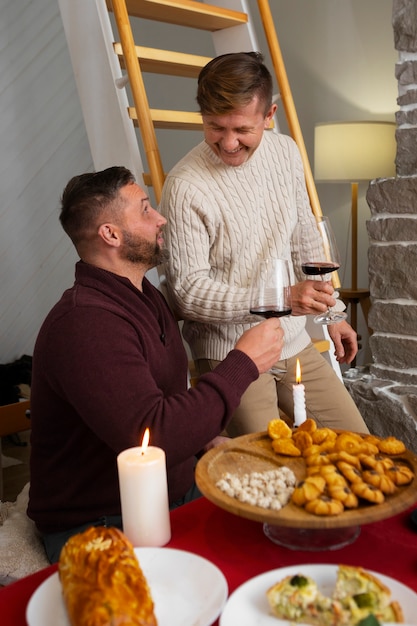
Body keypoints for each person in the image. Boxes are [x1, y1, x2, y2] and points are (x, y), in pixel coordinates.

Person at [27, 166, 284, 562]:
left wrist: (204, 440)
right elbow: (153, 434)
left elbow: (162, 398)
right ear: (111, 234)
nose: (160, 217)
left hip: (176, 492)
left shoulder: (146, 296)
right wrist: (243, 363)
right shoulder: (85, 324)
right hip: (101, 521)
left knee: (287, 522)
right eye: (145, 209)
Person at [159, 51, 368, 437]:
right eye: (214, 127)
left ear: (269, 116)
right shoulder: (185, 185)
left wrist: (333, 312)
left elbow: (305, 236)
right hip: (229, 354)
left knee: (361, 448)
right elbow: (187, 293)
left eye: (241, 129)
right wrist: (281, 300)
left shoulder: (286, 152)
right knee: (268, 475)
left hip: (293, 341)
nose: (228, 143)